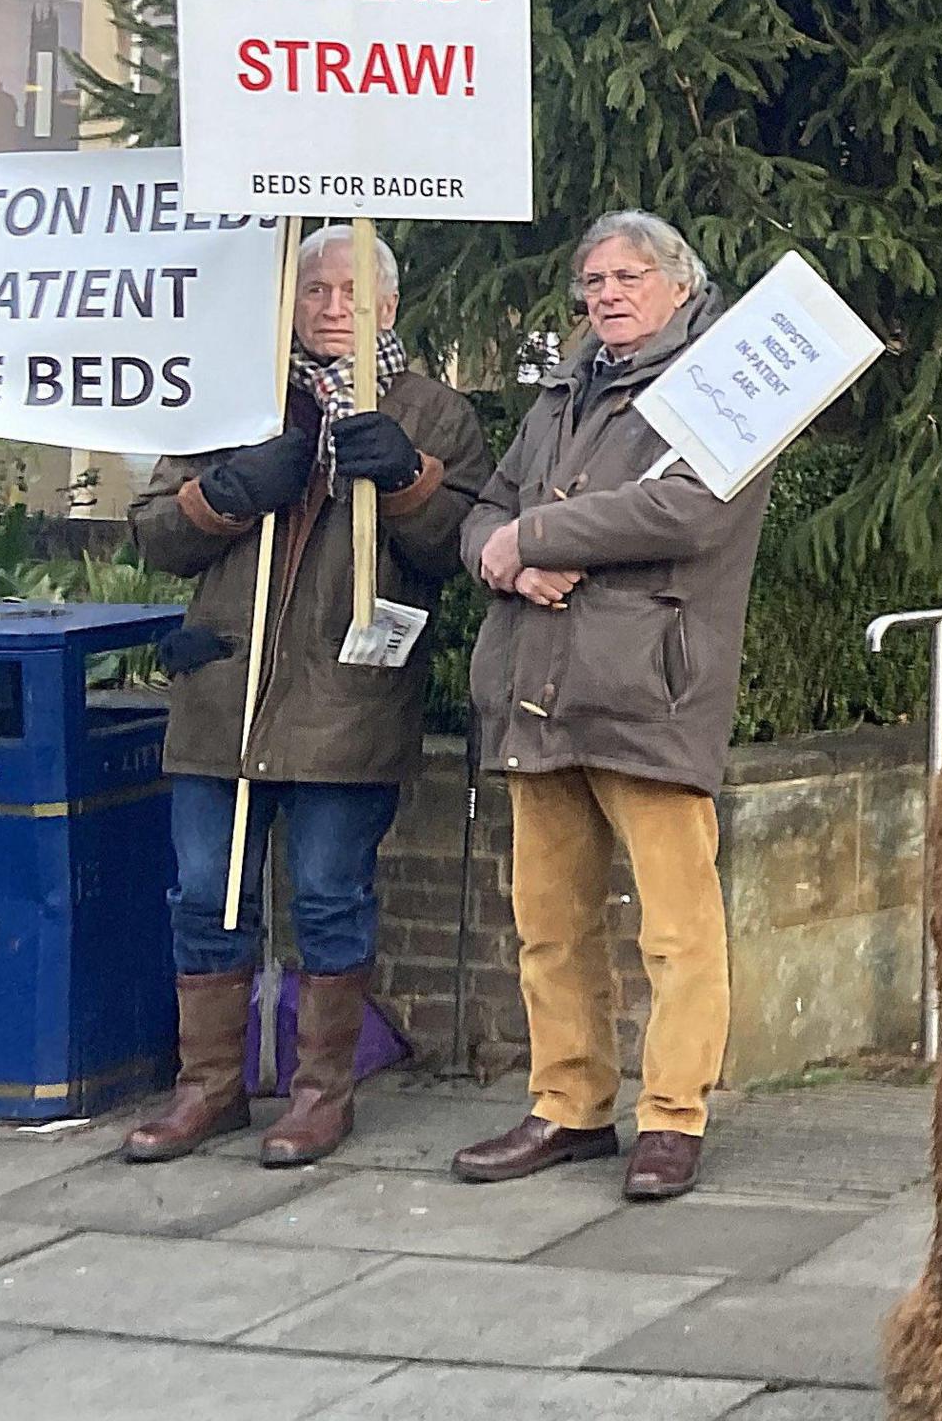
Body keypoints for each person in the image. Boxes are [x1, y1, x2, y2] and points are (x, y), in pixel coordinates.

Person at [120, 226, 494, 1167]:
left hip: (346, 700)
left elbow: (462, 548)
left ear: (389, 310)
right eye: (315, 292)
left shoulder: (436, 412)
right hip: (224, 695)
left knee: (330, 897)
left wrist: (408, 481)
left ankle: (321, 1094)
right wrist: (231, 490)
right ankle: (209, 1086)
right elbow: (156, 534)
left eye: (351, 295)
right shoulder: (236, 395)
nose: (332, 310)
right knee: (206, 897)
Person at [449, 212, 772, 1202]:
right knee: (548, 923)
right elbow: (483, 513)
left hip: (649, 690)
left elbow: (689, 509)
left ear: (680, 285)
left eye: (629, 276)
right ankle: (568, 1106)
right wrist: (504, 562)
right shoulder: (560, 390)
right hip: (537, 688)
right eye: (592, 282)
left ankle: (673, 1116)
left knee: (677, 930)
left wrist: (535, 537)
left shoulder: (725, 384)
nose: (608, 294)